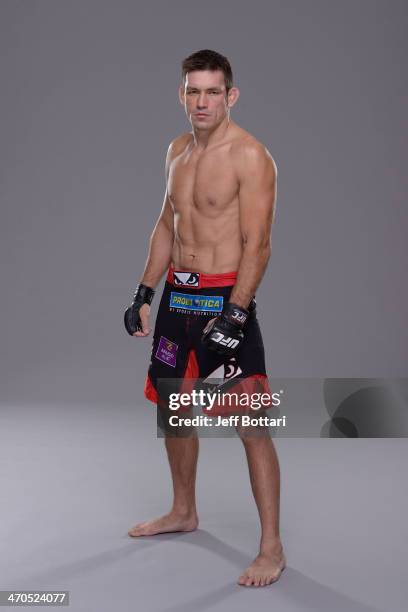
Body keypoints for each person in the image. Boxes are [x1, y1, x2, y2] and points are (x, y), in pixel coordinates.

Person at [124, 49, 286, 587]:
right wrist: (145, 291)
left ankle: (271, 548)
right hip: (178, 301)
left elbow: (258, 244)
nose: (202, 101)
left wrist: (237, 314)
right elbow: (165, 224)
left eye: (212, 91)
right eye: (193, 91)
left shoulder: (251, 155)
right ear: (181, 94)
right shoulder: (176, 151)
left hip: (224, 300)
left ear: (230, 96)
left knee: (251, 425)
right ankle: (183, 512)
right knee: (175, 412)